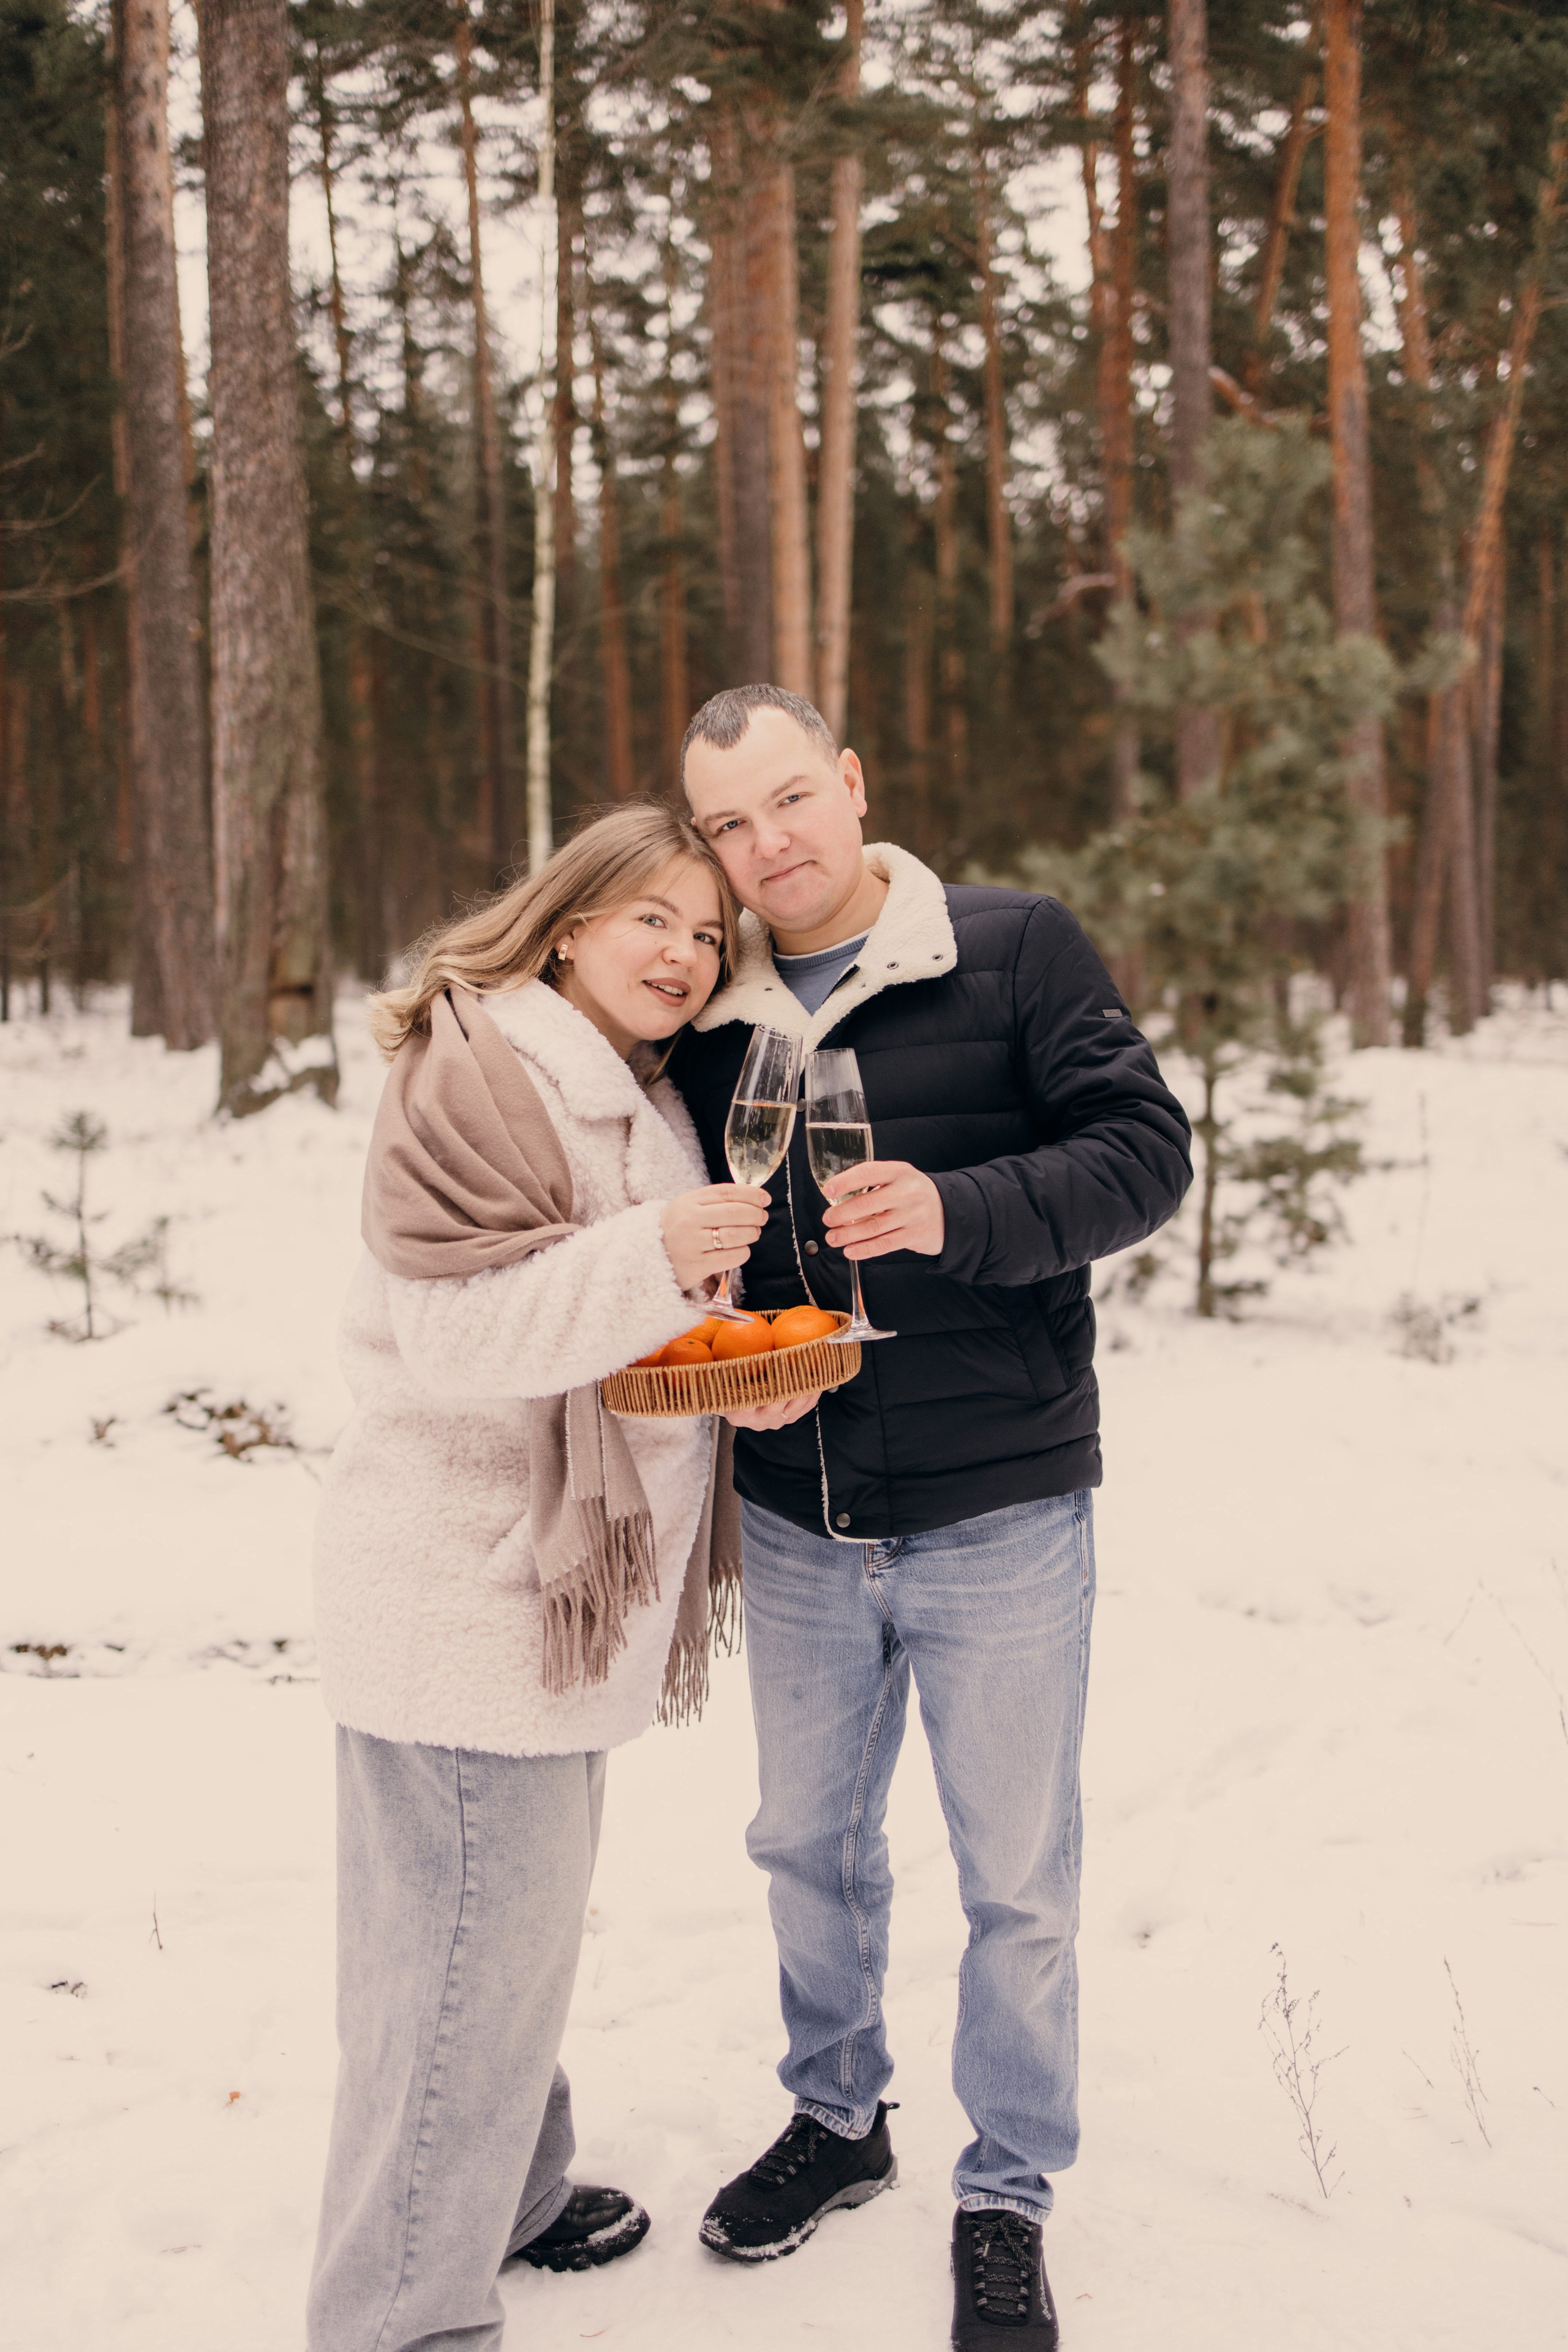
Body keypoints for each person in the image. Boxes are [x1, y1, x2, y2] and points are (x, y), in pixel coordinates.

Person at [669, 685, 1193, 2351]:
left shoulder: (1014, 946)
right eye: (729, 825)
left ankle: (1008, 2188)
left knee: (1016, 1879)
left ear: (850, 781)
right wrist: (730, 1348)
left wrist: (957, 1211)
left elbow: (1146, 1155)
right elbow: (699, 1238)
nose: (767, 845)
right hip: (799, 1511)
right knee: (803, 1849)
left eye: (788, 800)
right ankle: (837, 2117)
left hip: (999, 1509)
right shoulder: (707, 1013)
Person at [306, 804, 773, 2352]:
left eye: (704, 934)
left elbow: (631, 1339)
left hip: (551, 1605)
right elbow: (457, 1339)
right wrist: (657, 1252)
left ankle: (506, 2190)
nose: (683, 955)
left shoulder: (633, 1088)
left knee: (501, 1943)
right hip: (462, 1595)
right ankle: (403, 2317)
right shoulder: (478, 1071)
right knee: (454, 1972)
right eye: (652, 919)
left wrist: (743, 1379)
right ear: (568, 924)